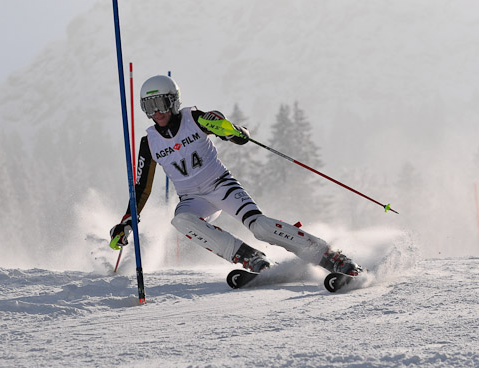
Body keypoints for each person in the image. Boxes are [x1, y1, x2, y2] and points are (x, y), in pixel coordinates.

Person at [110, 75, 361, 275]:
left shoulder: (195, 119)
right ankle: (249, 257)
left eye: (161, 104)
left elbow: (240, 136)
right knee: (181, 220)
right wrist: (127, 222)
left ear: (174, 101)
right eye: (149, 106)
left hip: (221, 186)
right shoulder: (149, 142)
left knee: (261, 226)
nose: (157, 112)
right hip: (192, 199)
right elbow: (141, 187)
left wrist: (229, 130)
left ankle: (329, 256)